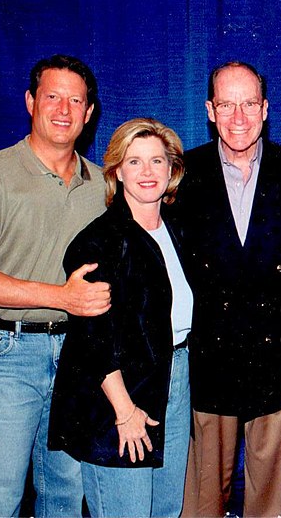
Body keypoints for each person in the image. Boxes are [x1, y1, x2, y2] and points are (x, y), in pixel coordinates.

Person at [0, 55, 110, 517]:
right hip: (3, 355)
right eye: (52, 96)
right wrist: (61, 297)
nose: (64, 109)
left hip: (77, 355)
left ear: (89, 113)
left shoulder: (101, 186)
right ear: (31, 101)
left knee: (66, 494)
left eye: (77, 100)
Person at [177, 61, 281, 517]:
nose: (238, 117)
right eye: (226, 104)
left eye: (248, 104)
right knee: (202, 497)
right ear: (210, 110)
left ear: (265, 110)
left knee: (272, 496)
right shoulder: (182, 174)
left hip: (279, 358)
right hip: (208, 358)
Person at [48, 118, 192, 517]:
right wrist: (124, 412)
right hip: (118, 392)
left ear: (172, 169)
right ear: (116, 172)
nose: (147, 172)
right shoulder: (97, 241)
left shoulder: (179, 231)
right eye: (134, 162)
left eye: (157, 161)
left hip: (173, 381)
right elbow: (93, 338)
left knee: (166, 509)